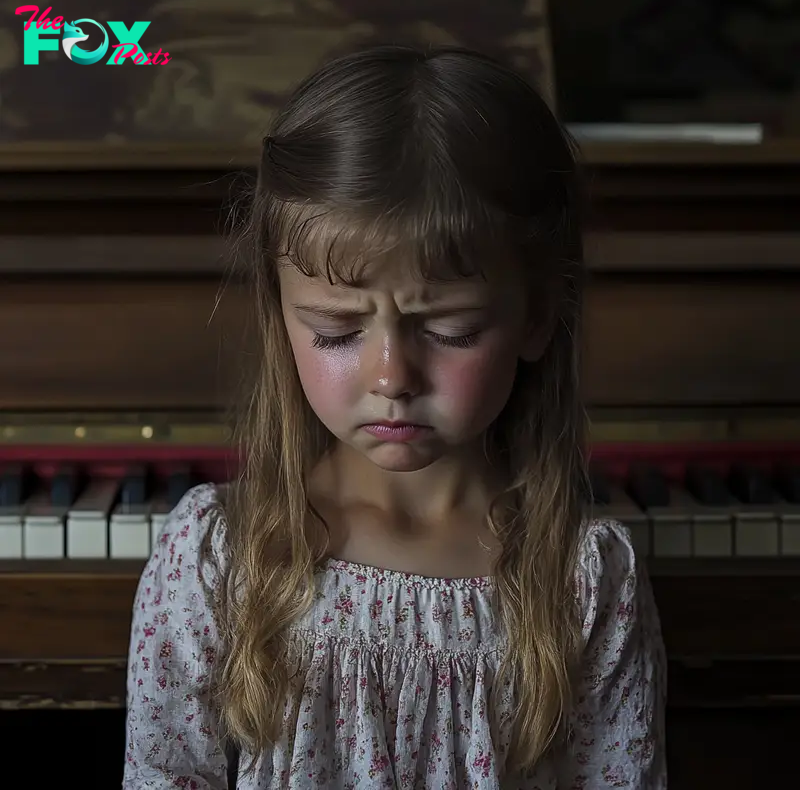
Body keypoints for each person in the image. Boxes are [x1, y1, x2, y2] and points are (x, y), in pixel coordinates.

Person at [122, 44, 667, 789]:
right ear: (281, 317)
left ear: (538, 317)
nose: (391, 378)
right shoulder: (220, 555)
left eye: (451, 331)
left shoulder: (584, 580)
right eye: (338, 332)